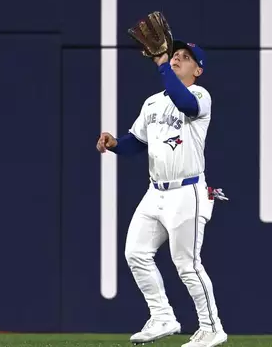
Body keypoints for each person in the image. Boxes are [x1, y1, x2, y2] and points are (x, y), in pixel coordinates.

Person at [97, 40, 228, 347]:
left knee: (187, 264)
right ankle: (162, 316)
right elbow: (136, 143)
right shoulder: (152, 103)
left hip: (188, 191)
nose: (177, 60)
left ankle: (212, 327)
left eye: (185, 58)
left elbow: (185, 104)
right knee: (136, 253)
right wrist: (115, 143)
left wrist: (161, 64)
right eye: (176, 56)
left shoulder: (199, 96)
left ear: (198, 70)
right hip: (155, 192)